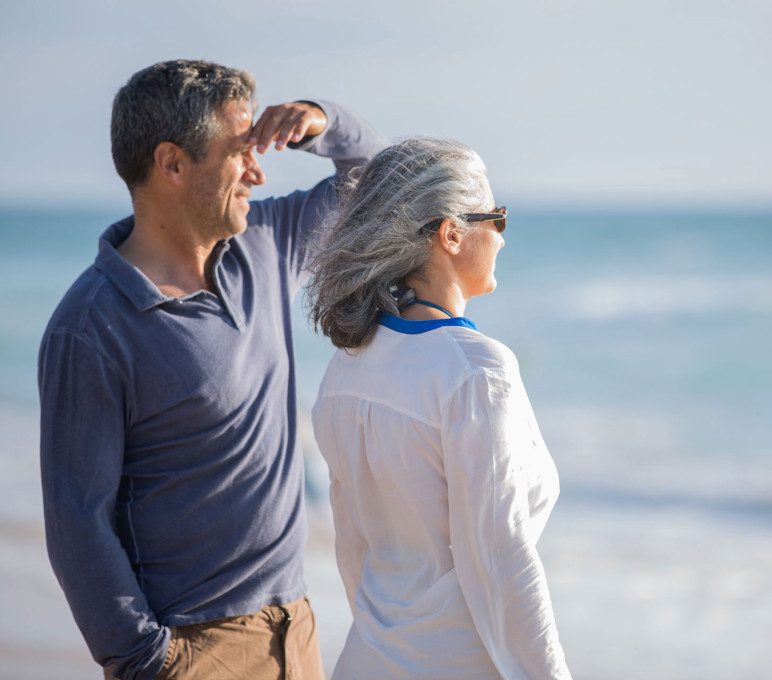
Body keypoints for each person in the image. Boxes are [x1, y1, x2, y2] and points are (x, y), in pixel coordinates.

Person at [38, 59, 385, 680]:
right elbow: (76, 523)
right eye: (239, 153)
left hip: (296, 630)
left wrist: (323, 122)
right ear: (171, 164)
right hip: (192, 650)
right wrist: (148, 661)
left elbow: (381, 182)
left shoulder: (267, 245)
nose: (258, 171)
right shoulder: (90, 327)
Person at [307, 138, 572, 679]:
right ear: (451, 233)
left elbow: (353, 545)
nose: (501, 237)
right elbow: (501, 557)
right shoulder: (475, 370)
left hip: (367, 659)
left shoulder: (346, 368)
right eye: (496, 218)